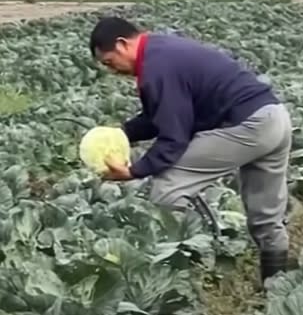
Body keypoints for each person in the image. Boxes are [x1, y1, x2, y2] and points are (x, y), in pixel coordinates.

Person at [89, 16, 292, 287]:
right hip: (274, 118)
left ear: (122, 44)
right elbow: (160, 116)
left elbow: (174, 137)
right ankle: (277, 290)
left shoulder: (156, 67)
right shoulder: (162, 52)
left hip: (248, 126)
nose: (113, 71)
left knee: (168, 184)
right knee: (266, 215)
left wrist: (134, 171)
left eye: (109, 62)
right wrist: (122, 132)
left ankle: (172, 276)